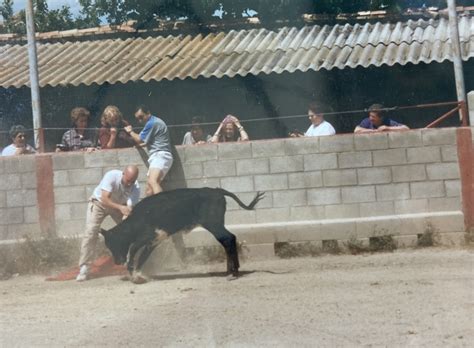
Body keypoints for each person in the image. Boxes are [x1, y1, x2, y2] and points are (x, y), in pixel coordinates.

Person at [76, 165, 140, 281]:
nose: (130, 184)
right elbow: (105, 198)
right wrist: (120, 207)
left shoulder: (136, 187)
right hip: (99, 204)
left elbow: (129, 208)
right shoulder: (111, 176)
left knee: (131, 232)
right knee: (91, 232)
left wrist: (125, 220)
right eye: (128, 180)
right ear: (123, 174)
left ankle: (132, 263)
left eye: (133, 181)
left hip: (119, 207)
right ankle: (84, 267)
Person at [125, 105, 173, 196]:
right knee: (149, 190)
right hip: (160, 156)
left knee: (153, 181)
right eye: (138, 119)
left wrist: (130, 131)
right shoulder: (156, 122)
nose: (140, 121)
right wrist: (139, 146)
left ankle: (161, 204)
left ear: (148, 113)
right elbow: (151, 141)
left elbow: (139, 139)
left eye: (141, 117)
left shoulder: (151, 123)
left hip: (161, 155)